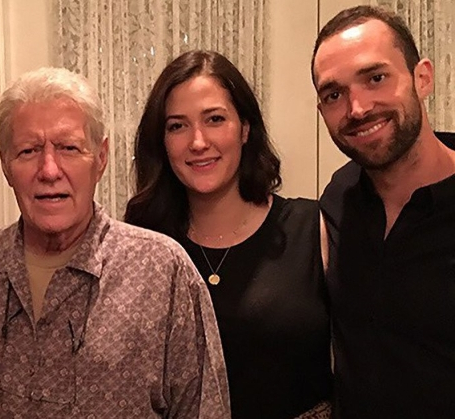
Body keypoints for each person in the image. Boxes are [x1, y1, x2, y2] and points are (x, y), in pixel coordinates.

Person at [0, 67, 230, 418]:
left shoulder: (161, 272)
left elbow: (203, 409)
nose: (50, 170)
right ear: (5, 163)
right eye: (28, 151)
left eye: (69, 148)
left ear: (100, 158)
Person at [124, 50, 332, 418]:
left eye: (215, 119)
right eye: (177, 126)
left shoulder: (312, 227)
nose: (198, 141)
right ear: (162, 142)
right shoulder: (143, 245)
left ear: (246, 128)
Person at [312, 5, 455, 418]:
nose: (357, 108)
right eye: (334, 94)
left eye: (376, 78)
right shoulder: (338, 198)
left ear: (422, 77)